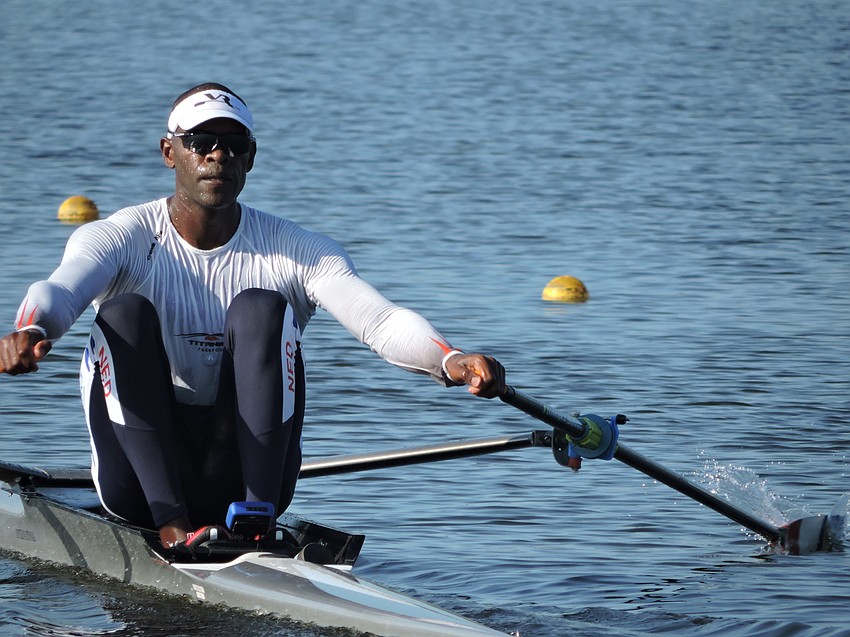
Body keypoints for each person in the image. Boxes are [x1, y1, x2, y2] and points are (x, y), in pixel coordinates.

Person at [0, 83, 506, 550]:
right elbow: (61, 288)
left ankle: (256, 521)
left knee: (261, 308)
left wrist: (452, 359)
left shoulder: (295, 249)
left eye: (233, 144)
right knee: (123, 313)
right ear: (168, 152)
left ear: (251, 158)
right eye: (200, 141)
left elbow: (379, 321)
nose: (217, 155)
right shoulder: (121, 236)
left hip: (241, 471)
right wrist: (32, 328)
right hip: (135, 478)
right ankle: (171, 524)